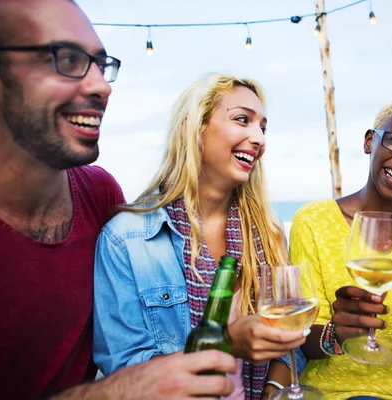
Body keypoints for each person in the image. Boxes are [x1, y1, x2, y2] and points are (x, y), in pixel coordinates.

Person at [0, 0, 238, 398]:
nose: (101, 86)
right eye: (67, 58)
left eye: (100, 63)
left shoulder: (99, 193)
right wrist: (116, 391)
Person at [93, 72, 308, 399]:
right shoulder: (127, 239)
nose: (259, 139)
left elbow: (288, 345)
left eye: (263, 127)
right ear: (193, 128)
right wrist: (227, 342)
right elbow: (126, 373)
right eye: (242, 120)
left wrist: (273, 391)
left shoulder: (268, 230)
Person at [264, 99, 392, 400]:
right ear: (369, 141)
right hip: (340, 392)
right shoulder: (313, 221)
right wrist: (336, 332)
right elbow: (305, 336)